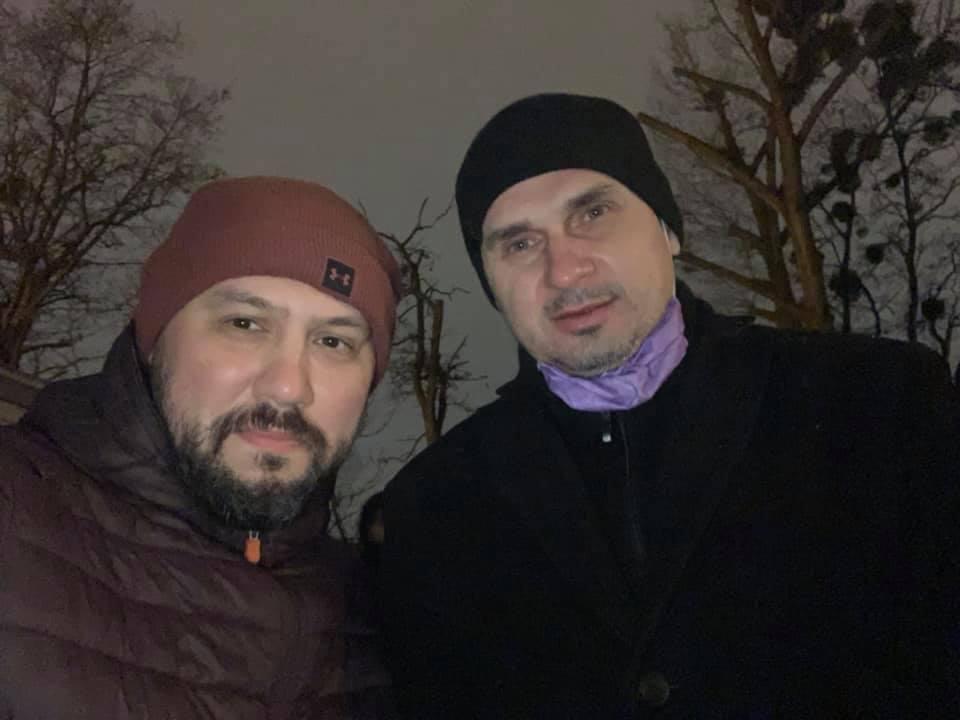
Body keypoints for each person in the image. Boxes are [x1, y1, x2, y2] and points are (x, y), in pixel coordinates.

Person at [380, 94, 960, 719]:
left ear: (668, 229)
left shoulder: (877, 406)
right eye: (519, 244)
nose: (565, 270)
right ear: (492, 284)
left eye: (593, 212)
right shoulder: (433, 509)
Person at [0, 177, 401, 719]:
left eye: (334, 341)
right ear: (154, 340)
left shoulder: (385, 620)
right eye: (245, 323)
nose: (288, 386)